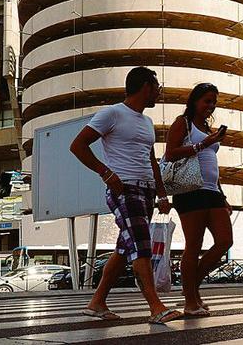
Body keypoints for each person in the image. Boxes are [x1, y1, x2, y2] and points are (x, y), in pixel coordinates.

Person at [70, 66, 182, 325]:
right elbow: (78, 145)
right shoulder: (112, 113)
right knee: (141, 245)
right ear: (145, 87)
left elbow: (151, 160)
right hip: (124, 189)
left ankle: (97, 302)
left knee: (124, 249)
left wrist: (162, 194)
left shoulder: (147, 122)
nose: (159, 92)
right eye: (156, 87)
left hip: (146, 191)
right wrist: (106, 173)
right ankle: (156, 307)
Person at [163, 82, 233, 316]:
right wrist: (205, 143)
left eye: (214, 102)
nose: (211, 106)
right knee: (193, 245)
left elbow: (212, 164)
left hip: (212, 192)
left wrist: (222, 195)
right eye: (207, 101)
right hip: (190, 191)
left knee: (225, 241)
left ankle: (191, 288)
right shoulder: (183, 123)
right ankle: (190, 301)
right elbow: (170, 154)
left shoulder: (206, 128)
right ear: (195, 101)